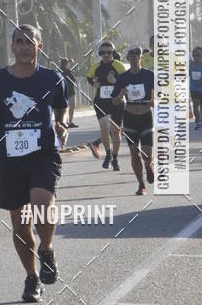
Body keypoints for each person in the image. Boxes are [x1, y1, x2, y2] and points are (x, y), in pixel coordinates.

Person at [0, 24, 68, 303]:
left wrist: (60, 123)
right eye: (19, 41)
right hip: (11, 159)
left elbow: (61, 106)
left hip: (44, 154)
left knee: (42, 204)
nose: (25, 46)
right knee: (19, 223)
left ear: (40, 46)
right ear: (12, 47)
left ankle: (47, 249)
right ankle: (32, 277)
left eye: (30, 41)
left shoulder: (53, 78)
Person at [111, 45, 155, 195]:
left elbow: (163, 94)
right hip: (129, 118)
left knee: (147, 153)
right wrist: (120, 95)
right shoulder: (123, 78)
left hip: (146, 117)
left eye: (138, 54)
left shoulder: (150, 75)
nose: (135, 56)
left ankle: (149, 166)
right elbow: (114, 101)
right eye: (132, 54)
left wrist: (155, 101)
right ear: (128, 58)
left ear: (141, 57)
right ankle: (141, 184)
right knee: (134, 153)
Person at [86, 41, 127, 171]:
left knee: (115, 131)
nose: (106, 55)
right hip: (101, 102)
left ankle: (115, 158)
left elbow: (127, 83)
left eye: (109, 52)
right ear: (100, 53)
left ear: (113, 53)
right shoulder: (96, 66)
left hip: (116, 102)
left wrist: (115, 82)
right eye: (103, 52)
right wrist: (94, 84)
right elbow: (89, 77)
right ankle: (108, 155)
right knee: (104, 129)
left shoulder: (119, 66)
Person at [59, 58, 78, 127]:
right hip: (70, 91)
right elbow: (73, 80)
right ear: (67, 64)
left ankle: (64, 122)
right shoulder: (67, 71)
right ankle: (69, 122)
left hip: (61, 91)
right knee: (71, 106)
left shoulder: (57, 71)